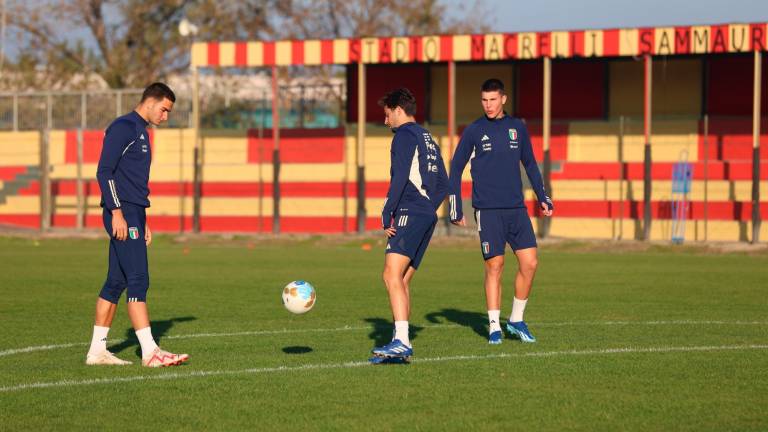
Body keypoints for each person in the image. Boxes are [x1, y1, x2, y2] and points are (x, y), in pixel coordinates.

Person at [86, 82, 189, 367]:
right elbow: (104, 171)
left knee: (116, 282)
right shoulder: (124, 127)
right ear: (151, 101)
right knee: (138, 279)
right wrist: (118, 212)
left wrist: (142, 219)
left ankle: (97, 351)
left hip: (134, 213)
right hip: (122, 212)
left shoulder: (141, 132)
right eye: (164, 110)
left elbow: (134, 181)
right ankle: (150, 352)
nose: (165, 116)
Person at [447, 78, 553, 345]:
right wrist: (455, 206)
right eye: (484, 100)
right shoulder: (474, 130)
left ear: (503, 99)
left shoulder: (517, 127)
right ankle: (494, 326)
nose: (488, 105)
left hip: (516, 209)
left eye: (493, 100)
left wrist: (543, 197)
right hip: (488, 210)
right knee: (495, 266)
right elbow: (456, 167)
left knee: (530, 263)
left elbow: (529, 163)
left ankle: (516, 320)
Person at [370, 88, 448, 363]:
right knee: (402, 280)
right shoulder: (427, 137)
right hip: (425, 212)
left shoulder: (403, 135)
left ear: (398, 109)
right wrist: (429, 206)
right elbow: (444, 183)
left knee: (390, 275)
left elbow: (400, 175)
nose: (385, 120)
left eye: (387, 113)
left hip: (410, 210)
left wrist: (387, 211)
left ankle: (402, 342)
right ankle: (398, 341)